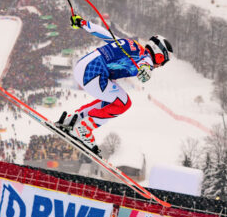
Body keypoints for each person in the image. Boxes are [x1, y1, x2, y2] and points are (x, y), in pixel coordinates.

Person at [57, 14, 173, 155]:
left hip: (82, 66)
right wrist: (146, 69)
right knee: (124, 103)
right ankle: (84, 128)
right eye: (162, 62)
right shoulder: (145, 57)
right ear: (159, 55)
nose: (160, 66)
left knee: (112, 101)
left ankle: (75, 120)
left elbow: (105, 34)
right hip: (93, 74)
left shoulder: (131, 44)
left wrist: (82, 23)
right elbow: (145, 62)